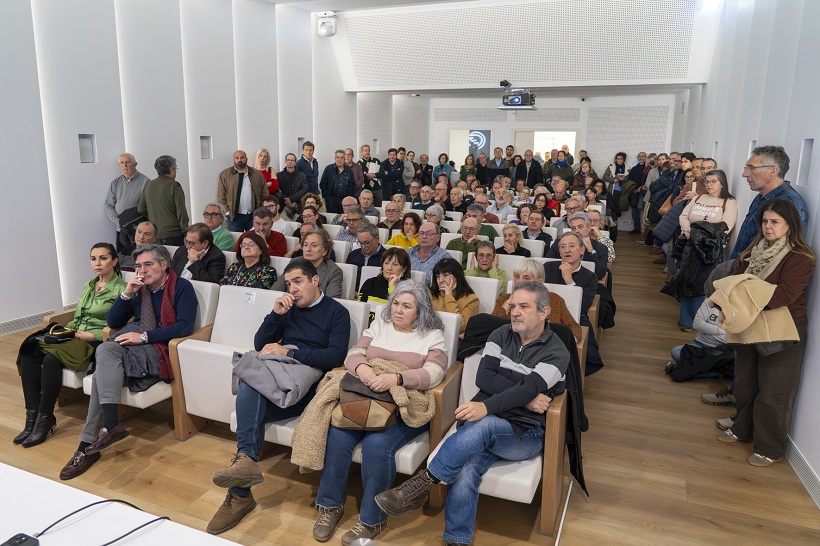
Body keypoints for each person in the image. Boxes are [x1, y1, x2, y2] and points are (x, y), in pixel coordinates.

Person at [374, 282, 570, 546]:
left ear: (544, 312)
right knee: (467, 467)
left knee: (486, 423)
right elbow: (484, 377)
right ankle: (457, 539)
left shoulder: (557, 351)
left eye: (524, 307)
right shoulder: (501, 334)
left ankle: (423, 482)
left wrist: (491, 404)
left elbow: (522, 387)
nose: (515, 312)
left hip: (524, 433)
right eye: (513, 306)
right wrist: (526, 397)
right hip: (482, 425)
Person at [207, 258, 351, 534]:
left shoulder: (336, 312)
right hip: (280, 379)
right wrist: (275, 314)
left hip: (308, 387)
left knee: (251, 394)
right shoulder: (287, 309)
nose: (292, 289)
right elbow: (260, 343)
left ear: (315, 281)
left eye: (298, 281)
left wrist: (291, 352)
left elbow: (336, 355)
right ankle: (243, 474)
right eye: (288, 283)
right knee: (251, 385)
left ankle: (240, 492)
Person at [303, 280, 447, 544]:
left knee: (377, 446)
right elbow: (354, 353)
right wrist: (363, 369)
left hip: (405, 401)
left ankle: (372, 520)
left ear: (421, 311)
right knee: (337, 435)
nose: (398, 310)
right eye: (395, 304)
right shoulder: (379, 325)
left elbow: (435, 373)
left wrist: (397, 379)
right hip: (367, 392)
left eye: (407, 306)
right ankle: (329, 506)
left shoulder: (433, 335)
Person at [58, 244, 197, 480]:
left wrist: (143, 336)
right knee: (106, 352)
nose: (142, 271)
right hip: (134, 344)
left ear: (164, 265)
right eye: (139, 266)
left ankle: (89, 444)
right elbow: (114, 321)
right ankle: (105, 428)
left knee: (104, 361)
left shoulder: (182, 287)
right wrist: (127, 293)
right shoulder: (139, 289)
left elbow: (184, 327)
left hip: (160, 347)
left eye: (148, 264)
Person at [716, 200, 814, 467]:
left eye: (775, 222)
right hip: (750, 325)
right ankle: (742, 429)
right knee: (746, 385)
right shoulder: (753, 251)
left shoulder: (800, 258)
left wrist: (745, 294)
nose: (768, 227)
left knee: (774, 393)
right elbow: (734, 280)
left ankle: (770, 448)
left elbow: (783, 295)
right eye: (765, 221)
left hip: (783, 331)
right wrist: (745, 292)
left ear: (789, 225)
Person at [15, 243, 127, 448]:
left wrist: (90, 334)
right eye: (93, 258)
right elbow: (78, 316)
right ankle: (32, 417)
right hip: (74, 337)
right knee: (28, 351)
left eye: (103, 258)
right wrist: (66, 331)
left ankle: (46, 417)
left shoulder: (121, 289)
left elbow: (122, 323)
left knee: (51, 359)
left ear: (115, 261)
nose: (97, 263)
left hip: (96, 341)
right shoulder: (88, 285)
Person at [672, 169, 738, 330]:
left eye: (713, 181)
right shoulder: (698, 198)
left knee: (703, 285)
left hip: (709, 250)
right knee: (686, 281)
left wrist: (698, 232)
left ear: (722, 183)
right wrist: (688, 231)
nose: (709, 185)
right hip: (689, 246)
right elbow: (683, 216)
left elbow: (725, 227)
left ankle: (699, 320)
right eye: (706, 182)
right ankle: (686, 320)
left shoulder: (729, 202)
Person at [730, 145, 809, 259]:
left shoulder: (791, 203)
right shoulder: (761, 197)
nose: (745, 174)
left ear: (773, 170)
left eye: (752, 168)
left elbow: (782, 255)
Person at [490, 258, 582, 342]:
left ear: (540, 282)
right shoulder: (504, 300)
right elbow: (491, 327)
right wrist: (510, 300)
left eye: (526, 278)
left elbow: (574, 328)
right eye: (517, 277)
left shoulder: (555, 300)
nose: (520, 282)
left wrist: (564, 344)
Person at [272, 230, 343, 298]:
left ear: (324, 251)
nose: (308, 249)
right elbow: (275, 291)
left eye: (314, 245)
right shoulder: (294, 262)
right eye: (305, 245)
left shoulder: (334, 271)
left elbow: (331, 302)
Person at [138, 155, 189, 245]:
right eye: (175, 168)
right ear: (171, 170)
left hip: (155, 235)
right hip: (174, 234)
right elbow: (181, 212)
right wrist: (186, 233)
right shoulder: (174, 185)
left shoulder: (149, 185)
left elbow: (141, 209)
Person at [105, 153, 150, 252]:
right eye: (122, 162)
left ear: (135, 164)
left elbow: (149, 207)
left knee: (138, 259)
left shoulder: (145, 182)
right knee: (122, 260)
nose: (124, 165)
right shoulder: (115, 183)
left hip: (138, 232)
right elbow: (108, 205)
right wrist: (118, 222)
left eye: (127, 162)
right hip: (120, 230)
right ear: (119, 165)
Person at [546, 212, 608, 280]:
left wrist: (591, 251)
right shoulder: (560, 243)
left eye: (580, 226)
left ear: (588, 226)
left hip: (587, 282)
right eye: (573, 228)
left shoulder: (601, 248)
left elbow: (600, 274)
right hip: (560, 278)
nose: (577, 231)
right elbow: (548, 265)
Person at [218, 150, 269, 232]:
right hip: (234, 217)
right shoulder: (225, 175)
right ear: (233, 160)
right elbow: (221, 196)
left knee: (255, 239)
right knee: (237, 240)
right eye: (237, 158)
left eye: (242, 157)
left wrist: (260, 211)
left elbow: (265, 193)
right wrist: (228, 212)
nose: (239, 160)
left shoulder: (257, 174)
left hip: (254, 216)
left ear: (246, 159)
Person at [431, 258, 479, 335]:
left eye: (445, 275)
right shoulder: (431, 294)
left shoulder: (471, 299)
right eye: (437, 276)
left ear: (457, 276)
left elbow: (460, 327)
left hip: (453, 340)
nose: (441, 280)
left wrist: (448, 296)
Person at [407, 222, 449, 286]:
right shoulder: (408, 253)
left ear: (438, 237)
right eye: (421, 233)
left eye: (429, 233)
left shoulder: (444, 258)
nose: (424, 236)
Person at [320, 149, 356, 214]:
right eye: (337, 157)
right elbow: (323, 184)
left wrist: (350, 200)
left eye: (341, 158)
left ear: (344, 159)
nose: (339, 160)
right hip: (331, 201)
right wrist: (327, 198)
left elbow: (352, 186)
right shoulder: (329, 169)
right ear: (335, 158)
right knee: (333, 219)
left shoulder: (349, 171)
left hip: (345, 202)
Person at [277, 153, 309, 220]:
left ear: (295, 162)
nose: (290, 162)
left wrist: (291, 199)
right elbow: (277, 191)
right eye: (288, 160)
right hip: (283, 206)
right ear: (285, 161)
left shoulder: (302, 176)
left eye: (292, 160)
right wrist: (287, 200)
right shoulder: (279, 175)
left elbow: (304, 189)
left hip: (298, 206)